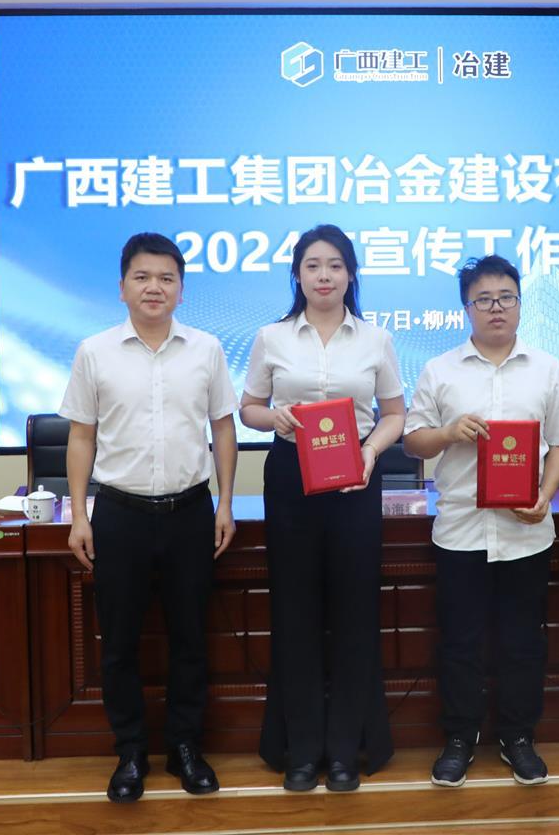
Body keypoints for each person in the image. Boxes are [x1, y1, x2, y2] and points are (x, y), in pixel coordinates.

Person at [61, 232, 238, 803]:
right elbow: (81, 435)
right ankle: (131, 752)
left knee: (190, 639)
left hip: (190, 512)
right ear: (122, 288)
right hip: (120, 513)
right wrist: (79, 514)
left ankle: (185, 748)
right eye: (142, 277)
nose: (154, 287)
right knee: (119, 643)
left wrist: (225, 503)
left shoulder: (207, 349)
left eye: (166, 278)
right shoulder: (95, 351)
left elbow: (223, 430)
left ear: (182, 289)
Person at [404, 255, 559, 788]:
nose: (496, 308)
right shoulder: (440, 370)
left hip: (526, 532)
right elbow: (413, 440)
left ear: (520, 305)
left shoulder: (547, 368)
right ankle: (460, 737)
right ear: (467, 308)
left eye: (506, 297)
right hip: (460, 531)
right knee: (460, 641)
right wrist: (448, 433)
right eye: (483, 299)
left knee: (523, 642)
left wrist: (545, 496)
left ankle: (518, 737)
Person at [239, 224, 405, 792]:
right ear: (297, 275)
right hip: (291, 475)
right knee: (296, 612)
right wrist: (274, 418)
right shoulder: (272, 337)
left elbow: (395, 414)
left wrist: (371, 452)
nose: (324, 275)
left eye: (335, 265)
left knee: (356, 613)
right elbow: (248, 408)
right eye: (313, 265)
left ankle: (345, 752)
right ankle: (302, 751)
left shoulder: (376, 339)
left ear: (351, 274)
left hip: (355, 476)